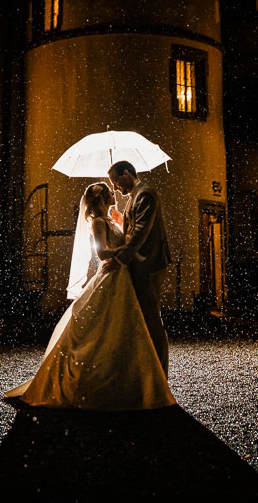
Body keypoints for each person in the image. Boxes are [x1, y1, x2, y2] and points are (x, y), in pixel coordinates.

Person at [4, 182, 174, 410]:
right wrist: (122, 253)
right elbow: (102, 252)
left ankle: (127, 374)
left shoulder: (109, 219)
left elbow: (123, 238)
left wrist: (121, 226)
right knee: (103, 328)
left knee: (123, 327)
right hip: (113, 274)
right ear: (102, 198)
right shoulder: (97, 223)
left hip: (122, 277)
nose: (114, 192)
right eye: (110, 191)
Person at [103, 160, 172, 375]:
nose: (115, 187)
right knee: (143, 315)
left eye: (115, 181)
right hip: (140, 264)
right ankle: (147, 367)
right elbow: (133, 228)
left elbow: (141, 232)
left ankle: (160, 371)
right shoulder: (135, 196)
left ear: (126, 174)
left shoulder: (146, 194)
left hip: (149, 264)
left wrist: (121, 259)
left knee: (151, 317)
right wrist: (120, 220)